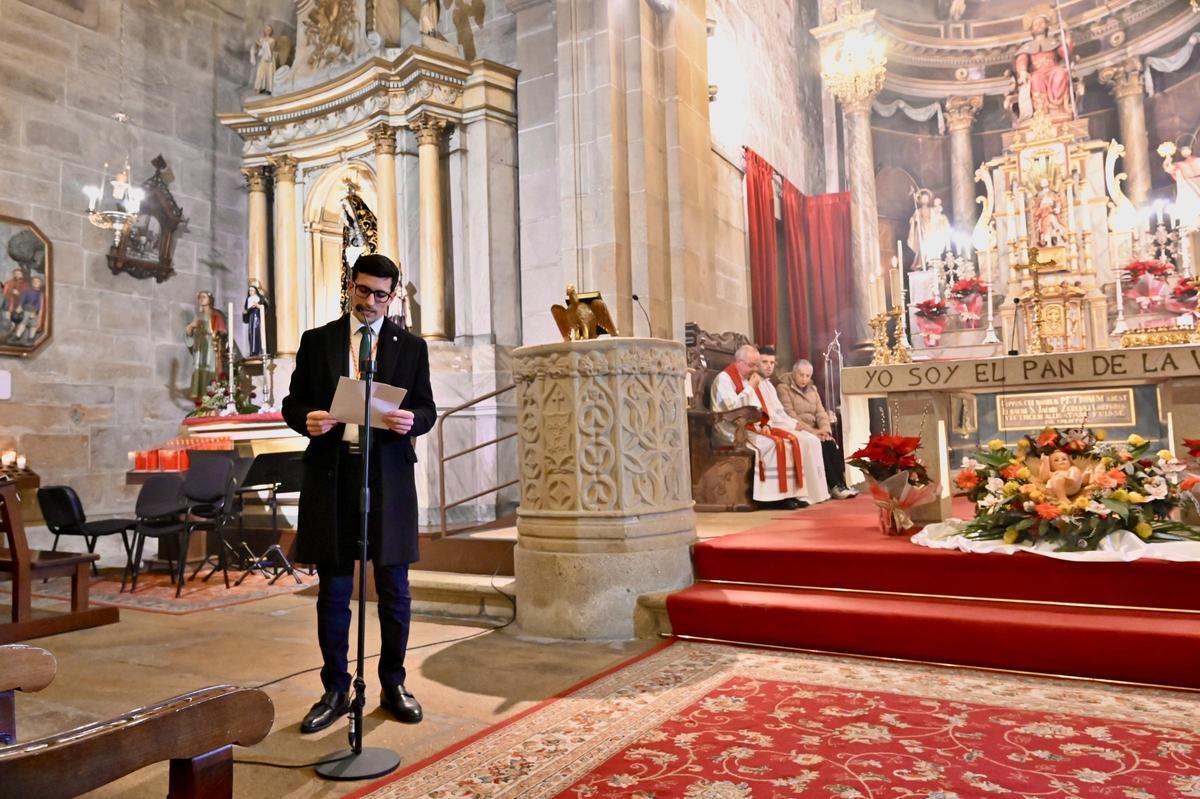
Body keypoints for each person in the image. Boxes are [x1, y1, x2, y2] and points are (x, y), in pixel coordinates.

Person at [282, 254, 436, 734]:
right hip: (333, 476)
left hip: (387, 476)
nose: (370, 303)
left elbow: (427, 407)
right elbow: (294, 402)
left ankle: (393, 683)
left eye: (381, 295)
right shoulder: (318, 341)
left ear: (393, 296)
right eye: (363, 291)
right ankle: (334, 688)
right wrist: (305, 419)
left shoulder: (410, 347)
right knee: (334, 589)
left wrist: (414, 422)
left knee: (394, 588)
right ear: (350, 286)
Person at [709, 344, 808, 510]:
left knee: (785, 442)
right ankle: (770, 498)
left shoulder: (746, 379)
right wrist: (750, 388)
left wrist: (764, 424)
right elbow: (730, 410)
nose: (755, 369)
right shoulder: (724, 379)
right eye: (752, 365)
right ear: (739, 362)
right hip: (729, 430)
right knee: (771, 445)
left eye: (756, 365)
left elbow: (758, 407)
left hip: (747, 427)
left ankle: (787, 494)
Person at [755, 347, 832, 506]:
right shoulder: (758, 384)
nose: (769, 366)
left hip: (782, 423)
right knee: (804, 440)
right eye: (765, 362)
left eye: (772, 362)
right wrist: (795, 424)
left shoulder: (768, 385)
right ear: (756, 363)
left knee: (812, 440)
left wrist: (795, 424)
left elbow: (780, 412)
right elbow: (770, 414)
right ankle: (800, 493)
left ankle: (816, 492)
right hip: (771, 425)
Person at [777, 359, 858, 500]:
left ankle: (841, 484)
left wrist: (825, 431)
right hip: (798, 429)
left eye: (808, 376)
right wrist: (814, 432)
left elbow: (821, 413)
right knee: (822, 445)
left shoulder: (812, 390)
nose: (804, 379)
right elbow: (790, 415)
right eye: (801, 375)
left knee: (830, 443)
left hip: (815, 431)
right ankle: (834, 486)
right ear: (794, 373)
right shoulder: (783, 388)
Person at [1014, 5, 1073, 121]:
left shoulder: (1053, 42)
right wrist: (1022, 71)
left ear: (1046, 25)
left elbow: (1065, 53)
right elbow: (1022, 60)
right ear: (1032, 29)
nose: (1038, 25)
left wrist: (1066, 33)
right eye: (1035, 24)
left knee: (1060, 73)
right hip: (1037, 72)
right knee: (1036, 79)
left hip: (1053, 69)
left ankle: (1057, 107)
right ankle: (1041, 110)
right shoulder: (1026, 47)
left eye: (1041, 23)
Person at [184, 291, 227, 402]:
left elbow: (223, 332)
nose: (201, 299)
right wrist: (191, 326)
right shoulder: (197, 316)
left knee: (211, 368)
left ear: (210, 300)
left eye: (204, 297)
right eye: (200, 297)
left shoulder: (216, 315)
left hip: (211, 347)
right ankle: (201, 396)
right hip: (200, 346)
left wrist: (216, 334)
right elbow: (189, 334)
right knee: (200, 368)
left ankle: (211, 396)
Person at [242, 283, 269, 358]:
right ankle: (252, 351)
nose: (251, 292)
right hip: (251, 317)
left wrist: (259, 306)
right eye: (249, 291)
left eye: (252, 290)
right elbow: (246, 309)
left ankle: (258, 351)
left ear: (256, 291)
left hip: (257, 316)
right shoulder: (248, 299)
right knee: (251, 333)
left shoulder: (260, 298)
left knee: (256, 333)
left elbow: (265, 307)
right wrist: (245, 312)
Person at [251, 25, 276, 94]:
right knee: (260, 73)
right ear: (264, 31)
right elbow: (258, 48)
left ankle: (269, 88)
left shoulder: (272, 40)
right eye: (266, 29)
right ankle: (261, 87)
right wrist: (255, 46)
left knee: (269, 72)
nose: (267, 31)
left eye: (269, 30)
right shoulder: (261, 39)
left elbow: (267, 47)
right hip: (262, 59)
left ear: (271, 31)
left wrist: (258, 43)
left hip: (269, 58)